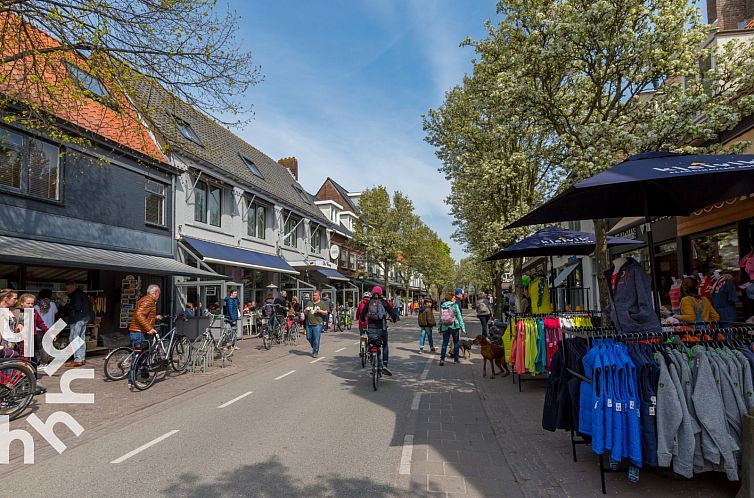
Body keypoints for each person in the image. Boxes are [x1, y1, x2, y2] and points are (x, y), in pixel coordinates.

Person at [128, 284, 162, 386]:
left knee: (143, 356)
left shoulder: (146, 299)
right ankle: (133, 381)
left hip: (139, 331)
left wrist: (155, 317)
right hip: (140, 332)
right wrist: (149, 328)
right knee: (139, 357)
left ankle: (143, 377)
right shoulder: (149, 301)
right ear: (155, 293)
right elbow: (139, 315)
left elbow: (144, 314)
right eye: (158, 294)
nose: (159, 296)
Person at [359, 286, 398, 376]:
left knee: (371, 343)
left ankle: (372, 359)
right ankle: (384, 364)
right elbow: (392, 313)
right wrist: (394, 319)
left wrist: (364, 320)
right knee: (384, 345)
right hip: (382, 328)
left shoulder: (368, 303)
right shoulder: (384, 302)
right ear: (380, 293)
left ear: (372, 293)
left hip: (371, 328)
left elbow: (362, 315)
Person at [61, 281, 93, 368]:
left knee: (74, 338)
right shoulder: (82, 293)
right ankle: (82, 358)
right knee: (81, 338)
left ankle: (78, 359)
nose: (66, 290)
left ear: (72, 287)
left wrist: (66, 305)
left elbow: (77, 307)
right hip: (85, 317)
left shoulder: (76, 295)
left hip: (77, 318)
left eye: (67, 289)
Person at [439, 292, 465, 366]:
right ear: (450, 299)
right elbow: (459, 317)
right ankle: (456, 359)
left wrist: (439, 328)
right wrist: (463, 328)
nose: (455, 299)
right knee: (456, 343)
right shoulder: (455, 306)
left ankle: (442, 359)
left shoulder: (442, 306)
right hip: (454, 326)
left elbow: (440, 318)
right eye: (453, 298)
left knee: (444, 343)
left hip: (445, 327)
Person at [304, 290, 328, 357]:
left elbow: (326, 312)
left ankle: (315, 352)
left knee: (316, 339)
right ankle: (314, 347)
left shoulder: (322, 303)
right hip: (308, 323)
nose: (314, 297)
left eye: (315, 295)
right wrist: (306, 310)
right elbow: (305, 312)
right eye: (313, 295)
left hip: (318, 324)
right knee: (308, 337)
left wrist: (320, 311)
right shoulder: (309, 302)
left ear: (319, 296)